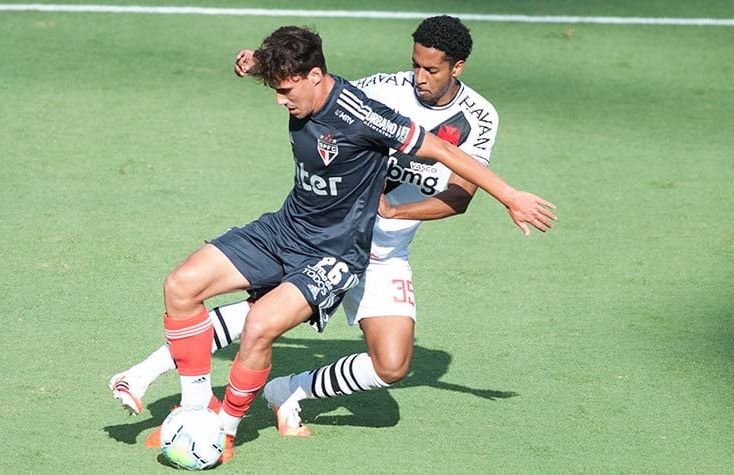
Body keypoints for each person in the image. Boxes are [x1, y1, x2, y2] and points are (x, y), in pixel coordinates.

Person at [116, 24, 555, 463]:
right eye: (415, 64)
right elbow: (320, 88)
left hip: (365, 250)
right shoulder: (378, 90)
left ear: (456, 67)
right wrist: (257, 66)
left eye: (431, 69)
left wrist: (505, 197)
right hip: (300, 229)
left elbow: (451, 179)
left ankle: (276, 395)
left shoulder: (469, 116)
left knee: (385, 363)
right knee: (208, 298)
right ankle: (191, 409)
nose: (419, 76)